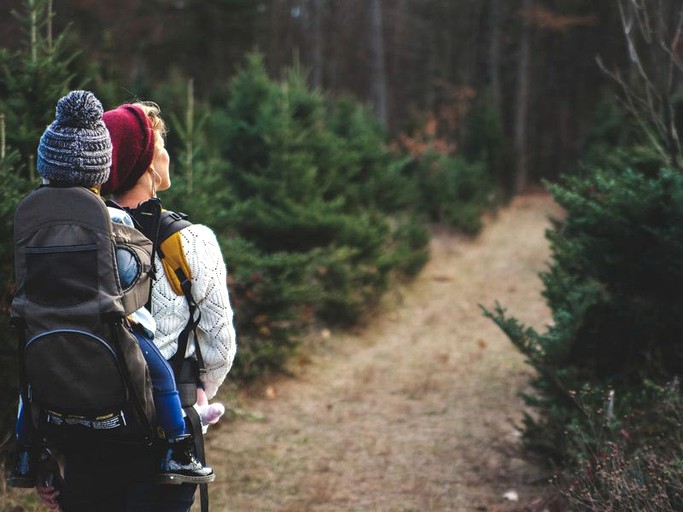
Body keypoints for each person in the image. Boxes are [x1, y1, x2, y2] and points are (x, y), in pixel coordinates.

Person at [8, 90, 214, 491]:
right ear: (100, 171)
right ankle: (179, 447)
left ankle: (25, 452)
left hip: (42, 323)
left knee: (29, 382)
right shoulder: (110, 218)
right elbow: (127, 270)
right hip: (106, 321)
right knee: (159, 373)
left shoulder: (32, 216)